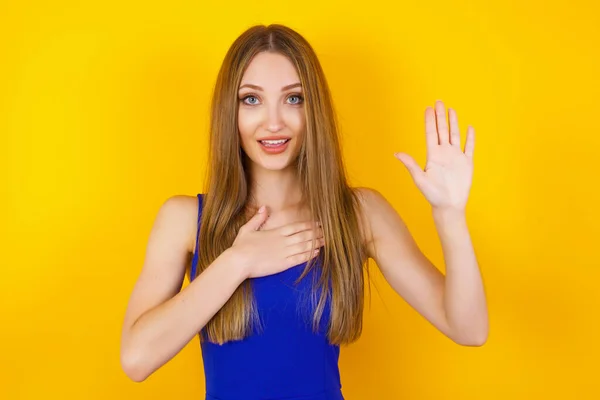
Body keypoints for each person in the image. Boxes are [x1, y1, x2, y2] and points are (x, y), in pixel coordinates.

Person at [119, 24, 488, 400]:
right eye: (251, 100)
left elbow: (469, 329)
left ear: (315, 108)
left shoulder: (359, 213)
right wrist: (237, 262)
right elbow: (136, 358)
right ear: (228, 110)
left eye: (294, 99)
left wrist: (450, 215)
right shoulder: (184, 219)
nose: (274, 121)